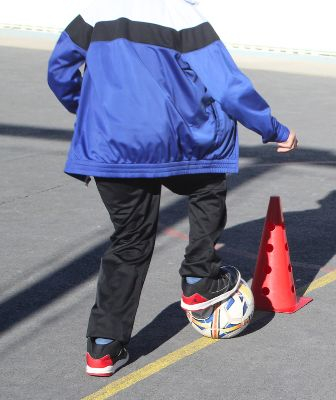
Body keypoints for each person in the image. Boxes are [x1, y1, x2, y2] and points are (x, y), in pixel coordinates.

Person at [47, 0, 297, 377]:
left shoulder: (94, 11)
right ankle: (199, 276)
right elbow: (227, 86)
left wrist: (92, 110)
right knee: (208, 186)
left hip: (112, 146)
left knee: (129, 242)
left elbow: (59, 71)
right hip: (179, 143)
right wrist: (273, 128)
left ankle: (102, 348)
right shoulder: (183, 14)